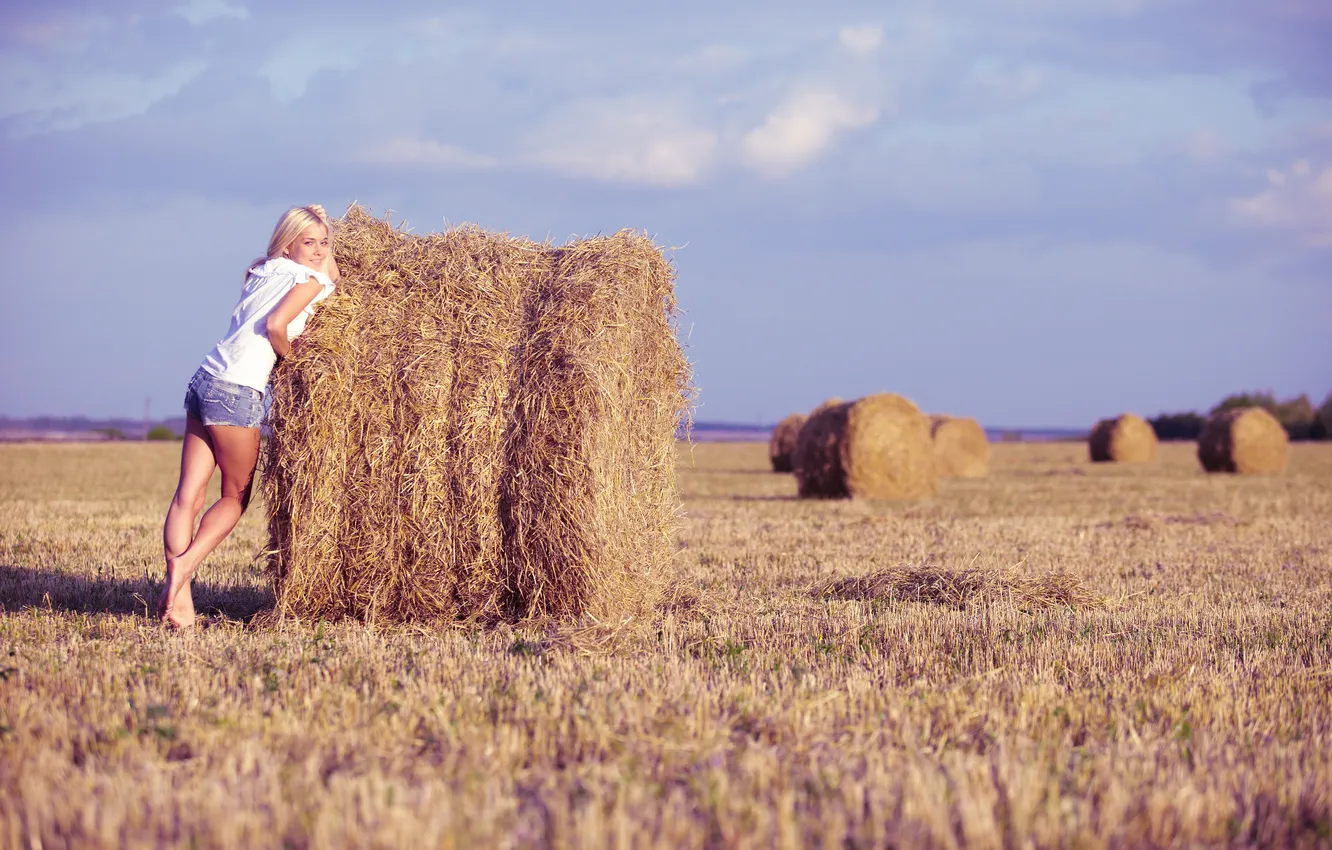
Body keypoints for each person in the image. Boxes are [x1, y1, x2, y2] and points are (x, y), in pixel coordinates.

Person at [158, 205, 340, 628]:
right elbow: (280, 323)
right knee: (234, 498)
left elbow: (321, 268)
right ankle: (183, 571)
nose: (318, 251)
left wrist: (319, 222)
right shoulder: (309, 280)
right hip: (237, 392)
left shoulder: (264, 269)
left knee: (188, 494)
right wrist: (290, 361)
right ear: (288, 244)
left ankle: (180, 606)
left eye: (323, 243)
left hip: (204, 379)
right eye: (308, 243)